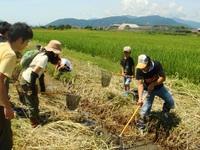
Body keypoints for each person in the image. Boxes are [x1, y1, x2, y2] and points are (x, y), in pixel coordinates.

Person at [0, 22, 33, 150]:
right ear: (20, 39)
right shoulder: (10, 54)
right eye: (27, 41)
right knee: (5, 140)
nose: (27, 44)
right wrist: (7, 107)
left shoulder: (1, 45)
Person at [20, 40, 62, 128]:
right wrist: (32, 89)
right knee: (32, 103)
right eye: (57, 54)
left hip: (28, 79)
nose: (57, 56)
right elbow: (34, 74)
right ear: (54, 53)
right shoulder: (44, 58)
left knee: (35, 101)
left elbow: (41, 75)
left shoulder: (42, 55)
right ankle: (34, 123)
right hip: (28, 80)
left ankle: (36, 117)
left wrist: (42, 88)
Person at [135, 54, 175, 130]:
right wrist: (140, 99)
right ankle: (141, 126)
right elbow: (140, 84)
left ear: (149, 64)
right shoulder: (140, 69)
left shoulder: (156, 65)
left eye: (144, 67)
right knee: (144, 110)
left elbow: (163, 78)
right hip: (147, 91)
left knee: (170, 101)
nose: (142, 69)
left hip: (159, 88)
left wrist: (153, 84)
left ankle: (165, 111)